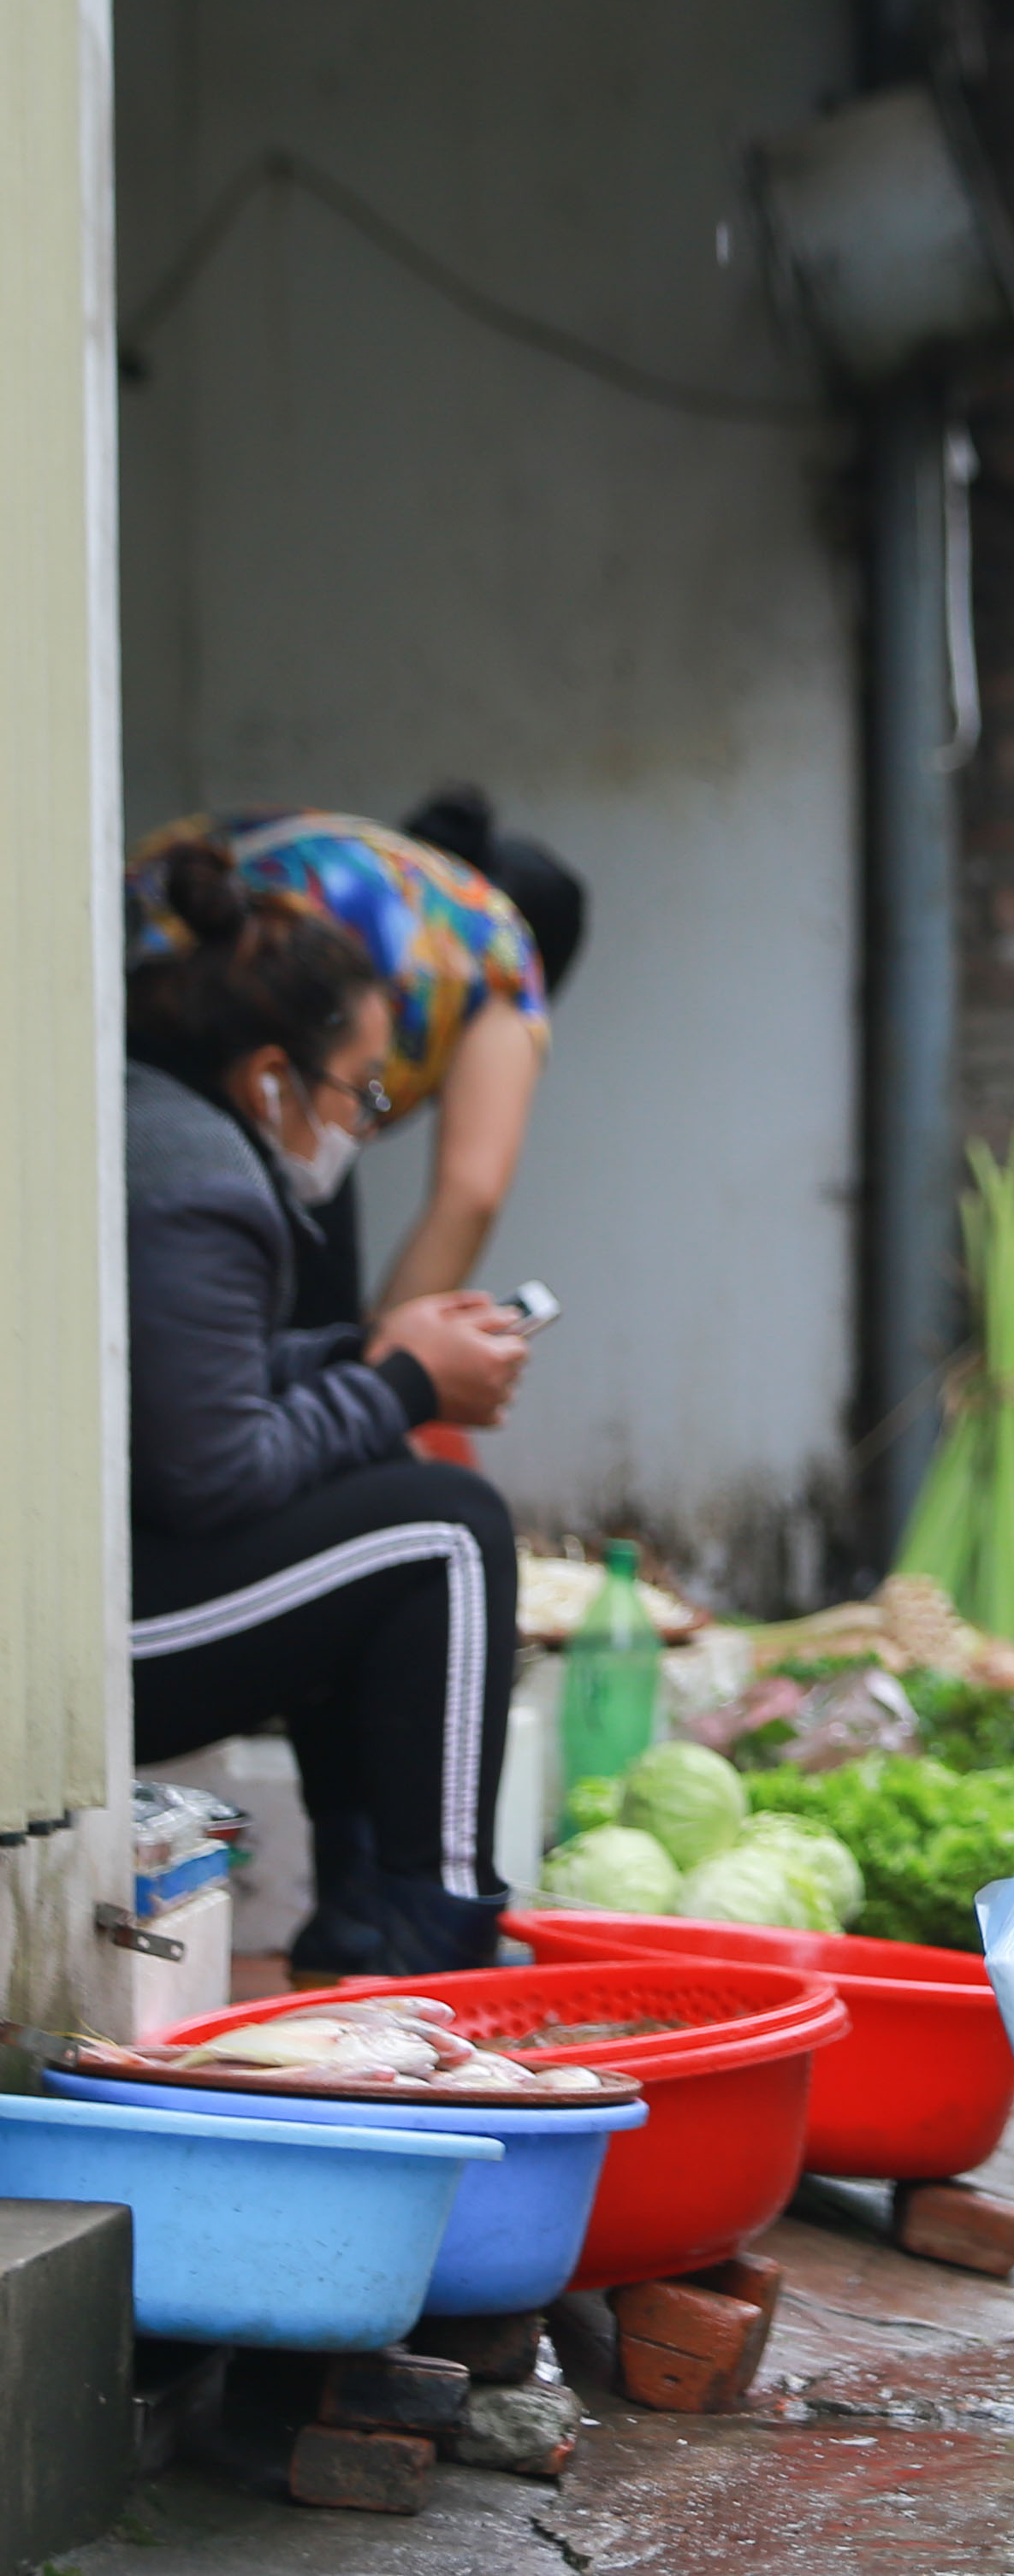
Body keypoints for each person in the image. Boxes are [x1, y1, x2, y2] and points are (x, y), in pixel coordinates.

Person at [122, 843, 535, 1977]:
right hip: (90, 1643)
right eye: (360, 1087)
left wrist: (371, 1349)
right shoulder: (198, 1180)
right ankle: (435, 1936)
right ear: (269, 1077)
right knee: (446, 1528)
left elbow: (189, 1386)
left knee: (380, 1505)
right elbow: (211, 1471)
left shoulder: (151, 1123)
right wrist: (406, 1382)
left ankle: (360, 1911)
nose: (363, 1118)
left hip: (106, 1583)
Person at [126, 790, 583, 1330]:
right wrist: (391, 1380)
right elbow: (471, 1196)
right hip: (231, 1050)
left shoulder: (387, 869)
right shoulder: (502, 952)